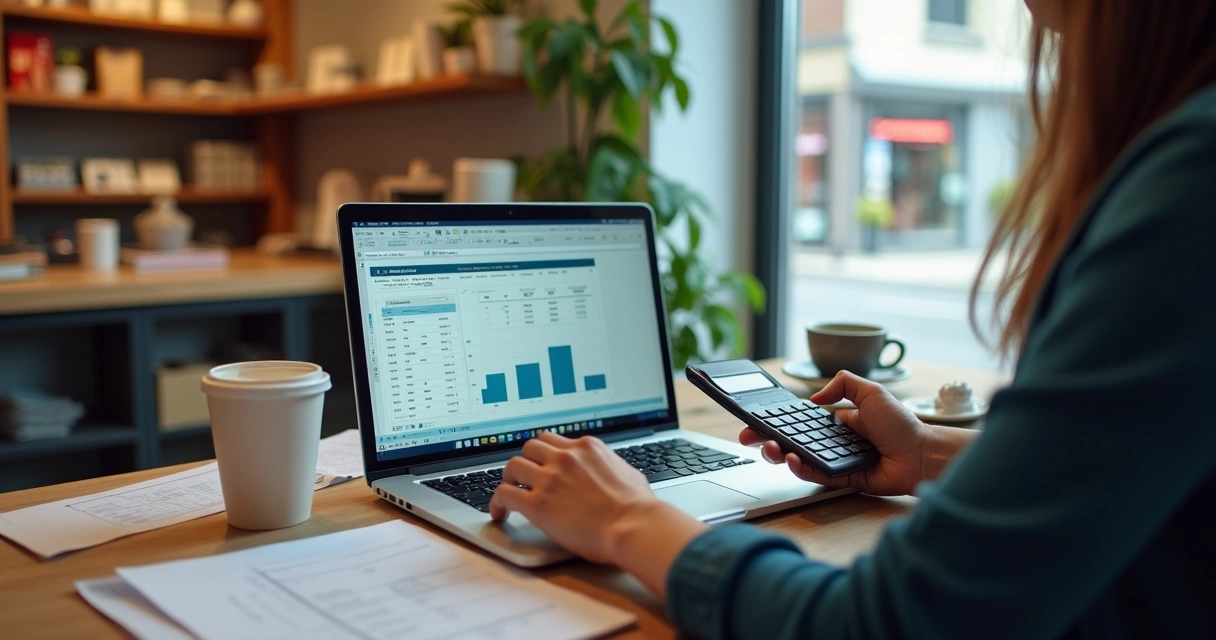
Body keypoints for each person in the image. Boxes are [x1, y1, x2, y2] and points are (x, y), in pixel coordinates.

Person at [489, 1, 1216, 637]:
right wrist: (929, 456)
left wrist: (626, 519)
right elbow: (1137, 478)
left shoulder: (1191, 184)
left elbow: (885, 622)